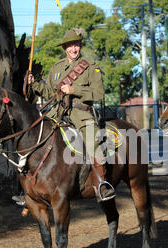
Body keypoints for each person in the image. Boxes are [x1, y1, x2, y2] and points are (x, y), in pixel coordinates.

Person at [14, 28, 115, 205]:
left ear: (80, 45)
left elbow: (99, 93)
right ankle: (27, 188)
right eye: (70, 46)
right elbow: (49, 92)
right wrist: (34, 83)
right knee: (32, 138)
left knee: (94, 142)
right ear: (65, 48)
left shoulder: (91, 67)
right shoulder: (57, 67)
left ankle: (102, 184)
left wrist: (74, 90)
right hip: (56, 113)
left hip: (81, 113)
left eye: (76, 45)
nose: (73, 49)